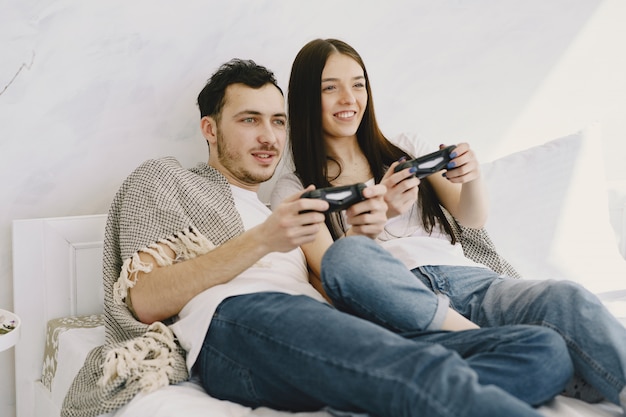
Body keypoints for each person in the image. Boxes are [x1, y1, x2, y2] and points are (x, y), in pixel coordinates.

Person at [63, 58, 573, 417]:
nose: (269, 136)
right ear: (210, 130)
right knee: (413, 372)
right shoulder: (167, 180)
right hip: (241, 323)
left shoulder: (290, 207)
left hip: (318, 326)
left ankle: (394, 394)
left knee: (542, 349)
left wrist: (365, 235)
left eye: (278, 121)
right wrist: (264, 240)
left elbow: (345, 291)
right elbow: (146, 299)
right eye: (249, 120)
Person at [271, 37, 626, 413]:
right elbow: (337, 274)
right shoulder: (296, 190)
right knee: (546, 353)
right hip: (399, 306)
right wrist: (383, 214)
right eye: (331, 88)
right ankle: (496, 348)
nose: (349, 98)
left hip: (472, 284)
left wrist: (471, 177)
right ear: (308, 98)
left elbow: (472, 217)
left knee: (567, 298)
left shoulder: (403, 147)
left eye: (358, 84)